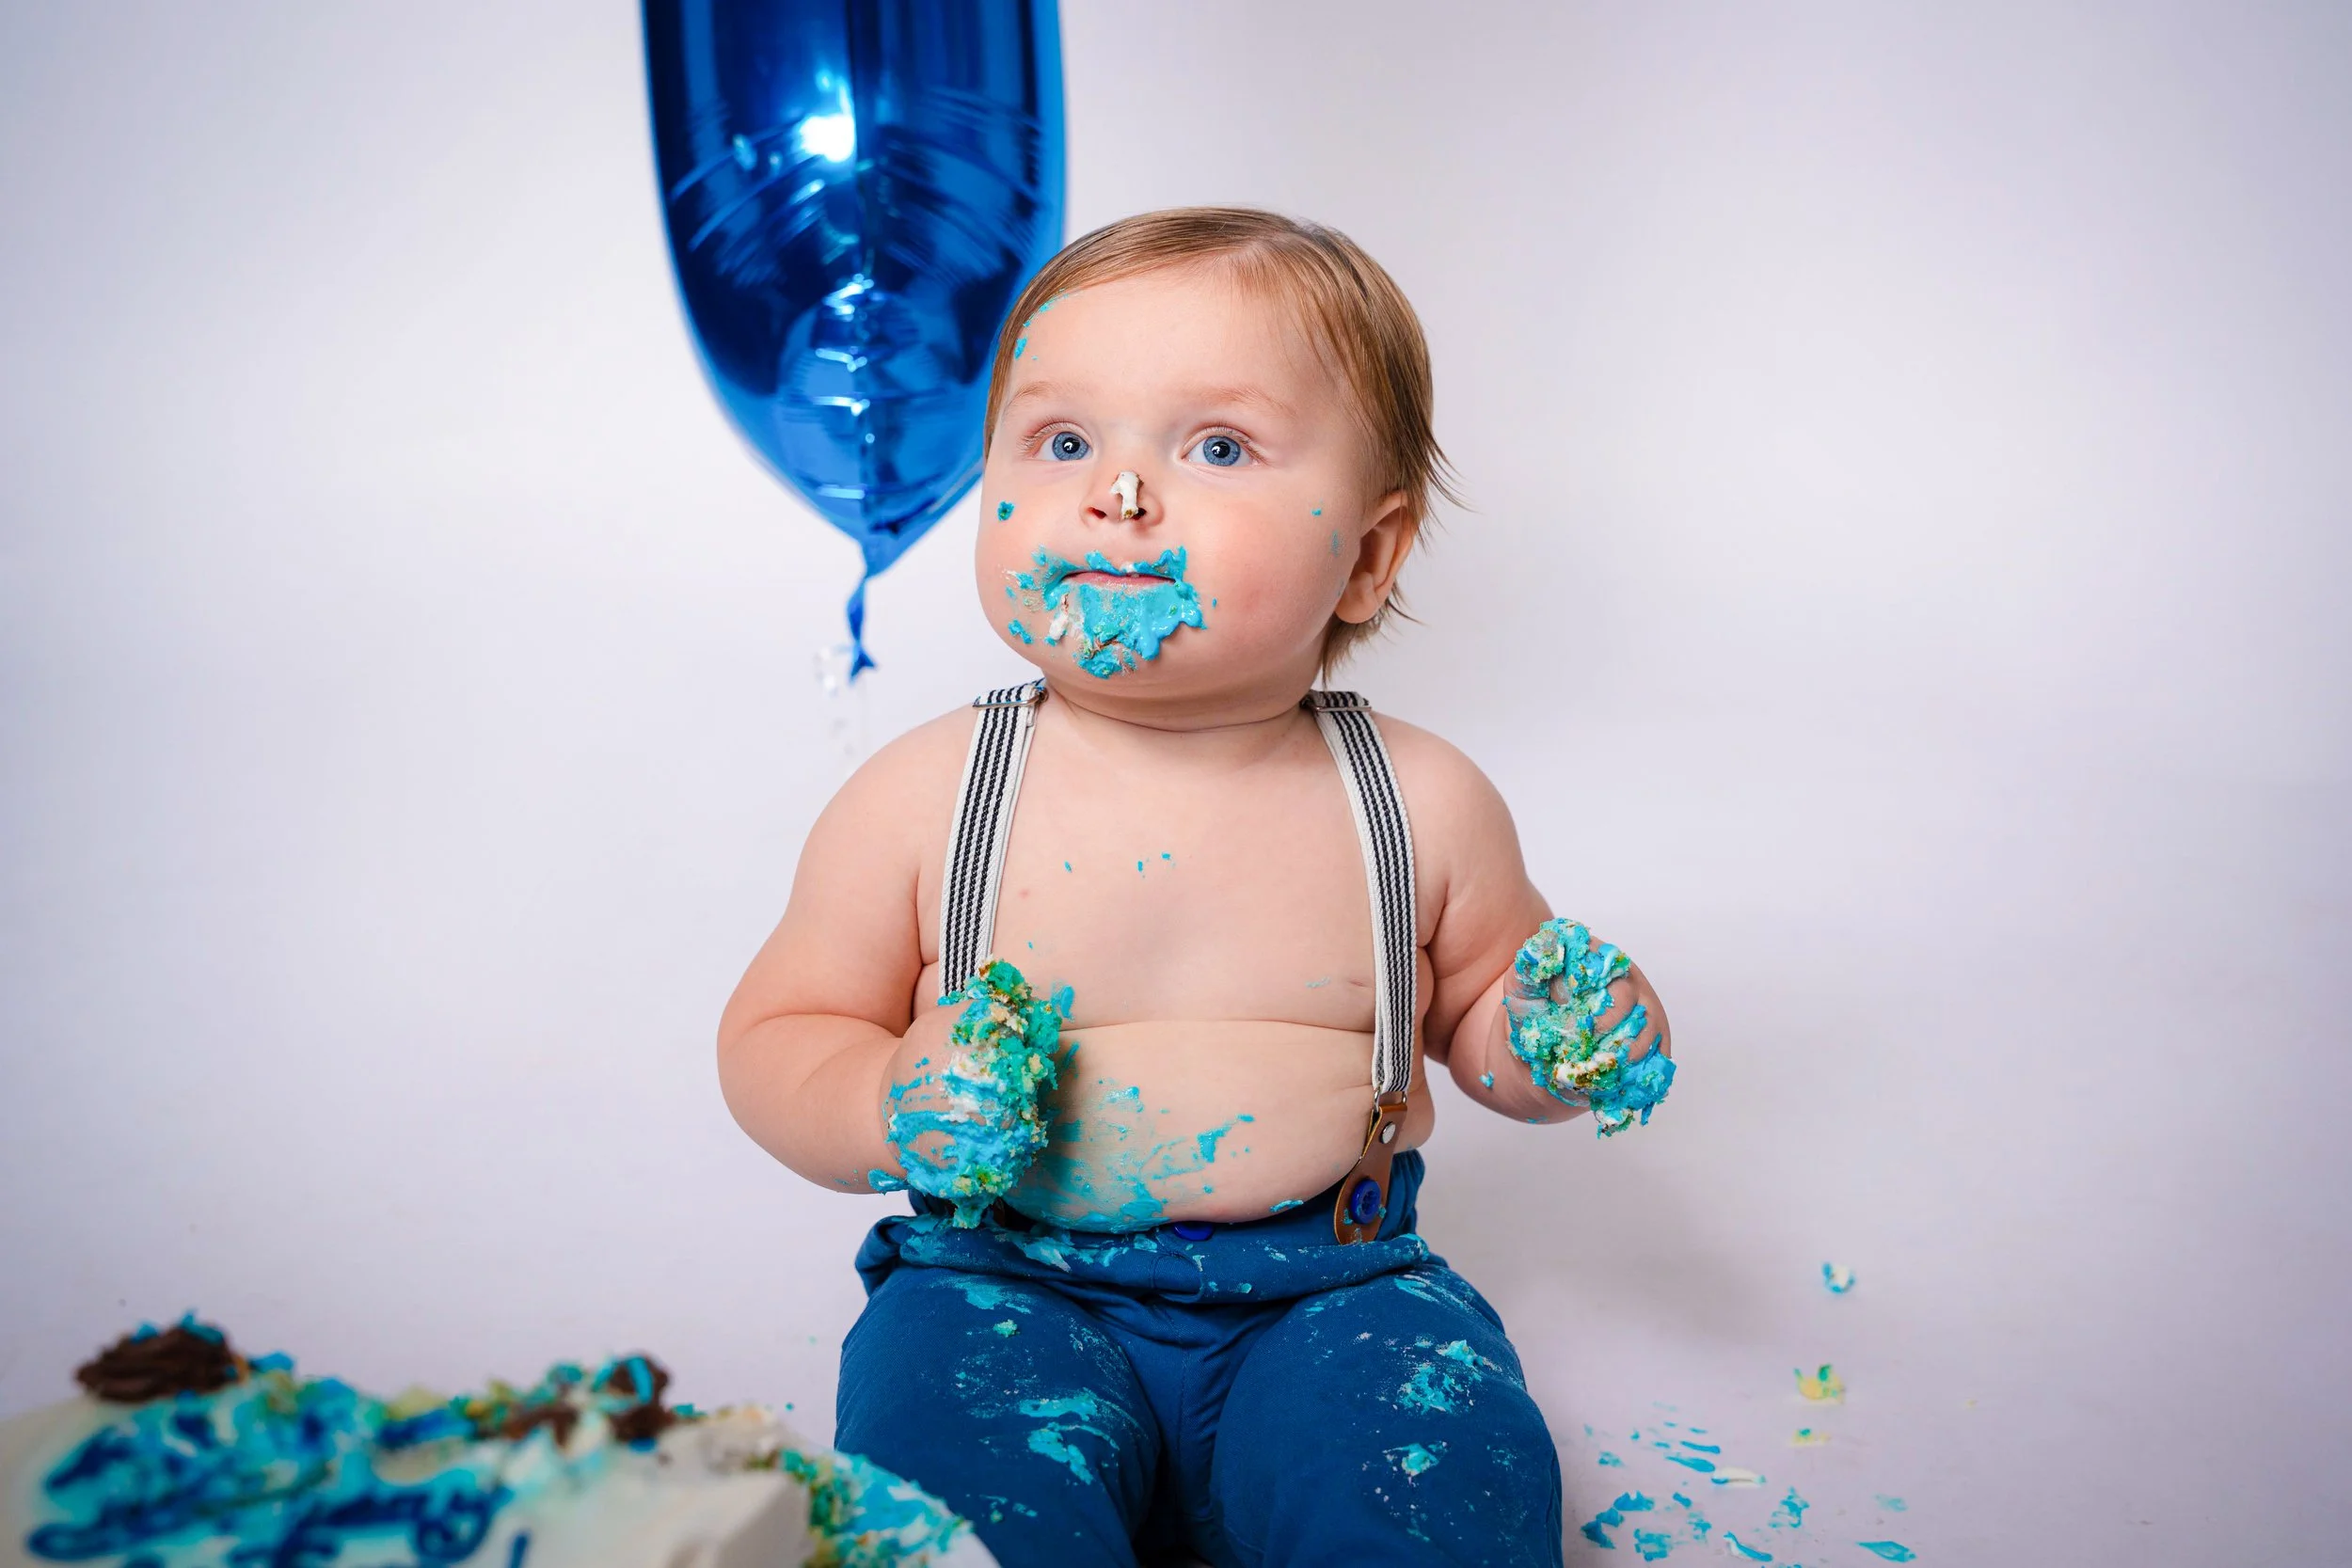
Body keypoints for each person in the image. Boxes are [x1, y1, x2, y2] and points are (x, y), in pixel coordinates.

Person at [718, 208, 1675, 1568]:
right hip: (996, 1290)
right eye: (1062, 441)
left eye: (1216, 446)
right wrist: (879, 1099)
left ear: (1370, 553)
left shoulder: (1417, 798)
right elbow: (775, 1035)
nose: (1119, 493)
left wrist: (1559, 1031)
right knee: (954, 1510)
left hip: (1333, 1294)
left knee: (1437, 1481)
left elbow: (1484, 1036)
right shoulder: (931, 793)